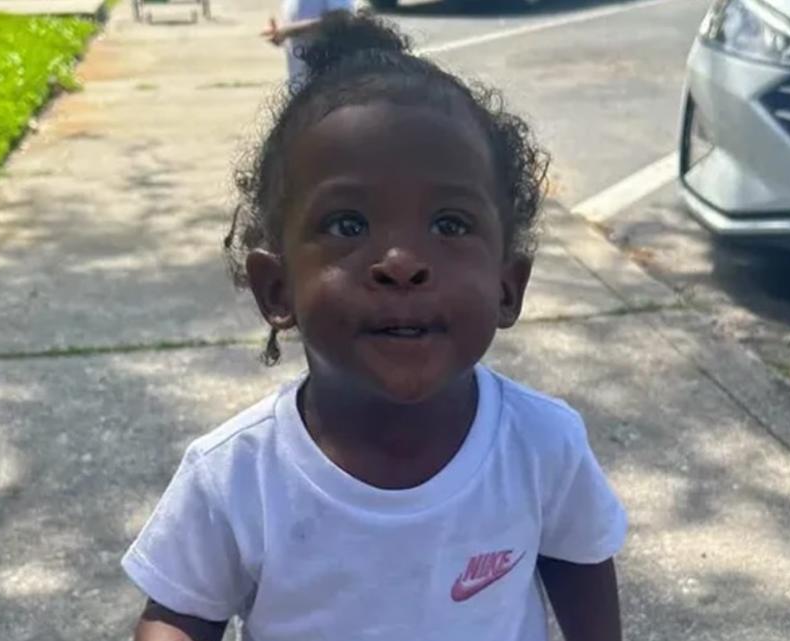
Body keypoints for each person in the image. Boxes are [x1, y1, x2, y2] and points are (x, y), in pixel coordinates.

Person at [124, 13, 627, 641]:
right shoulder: (237, 475)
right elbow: (177, 613)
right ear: (276, 289)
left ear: (508, 287)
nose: (402, 263)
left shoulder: (541, 445)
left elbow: (580, 560)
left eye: (449, 225)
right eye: (348, 225)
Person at [261, 0, 356, 82]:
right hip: (301, 81)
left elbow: (340, 21)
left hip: (331, 81)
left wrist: (288, 31)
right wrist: (279, 35)